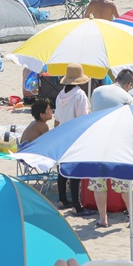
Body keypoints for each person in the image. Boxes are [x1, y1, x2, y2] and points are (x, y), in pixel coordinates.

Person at [54, 64, 93, 216]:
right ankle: (77, 205)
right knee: (75, 171)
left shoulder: (60, 95)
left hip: (62, 134)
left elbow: (57, 119)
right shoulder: (79, 95)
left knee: (63, 170)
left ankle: (62, 199)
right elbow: (83, 118)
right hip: (75, 136)